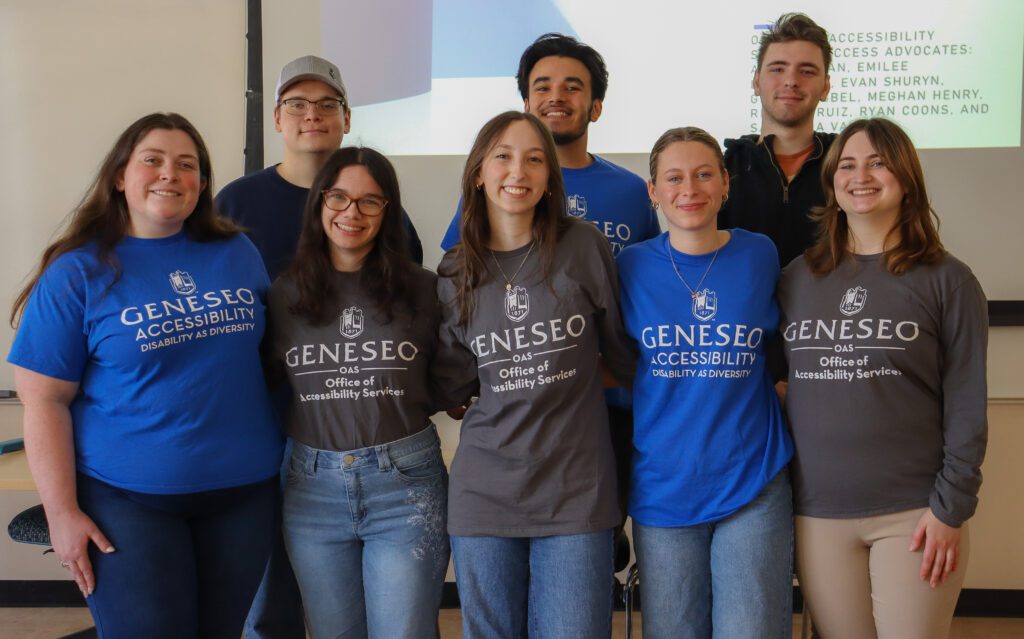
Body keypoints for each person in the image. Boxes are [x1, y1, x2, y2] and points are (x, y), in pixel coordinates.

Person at [7, 113, 282, 638]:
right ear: (119, 176)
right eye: (152, 160)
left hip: (245, 493)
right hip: (127, 500)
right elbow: (43, 401)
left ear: (202, 183)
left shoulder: (237, 252)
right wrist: (61, 513)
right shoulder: (77, 272)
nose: (169, 175)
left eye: (187, 165)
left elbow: (264, 358)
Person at [215, 55, 424, 639]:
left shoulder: (384, 211)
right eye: (298, 105)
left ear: (347, 117)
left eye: (327, 104)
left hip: (363, 438)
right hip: (265, 436)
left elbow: (409, 313)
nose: (313, 115)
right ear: (278, 118)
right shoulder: (235, 205)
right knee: (274, 606)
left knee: (391, 612)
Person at [777, 118, 988, 639]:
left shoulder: (948, 279)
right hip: (817, 513)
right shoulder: (796, 278)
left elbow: (966, 406)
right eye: (847, 165)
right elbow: (770, 380)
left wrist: (950, 510)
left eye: (878, 162)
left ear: (906, 177)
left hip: (916, 513)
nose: (861, 176)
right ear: (831, 182)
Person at [439, 31, 659, 530]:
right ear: (526, 103)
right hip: (520, 412)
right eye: (542, 86)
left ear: (596, 106)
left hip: (608, 409)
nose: (556, 96)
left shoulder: (630, 192)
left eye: (572, 86)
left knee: (594, 549)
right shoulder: (498, 189)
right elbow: (469, 293)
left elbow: (642, 296)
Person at [434, 111, 635, 638]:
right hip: (484, 495)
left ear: (550, 178)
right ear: (479, 171)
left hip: (578, 493)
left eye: (534, 158)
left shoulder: (583, 246)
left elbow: (622, 355)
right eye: (502, 156)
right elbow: (454, 384)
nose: (516, 170)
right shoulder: (456, 272)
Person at [616, 127, 794, 638]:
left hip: (753, 482)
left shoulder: (759, 254)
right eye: (673, 177)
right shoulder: (629, 267)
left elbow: (786, 344)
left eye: (702, 174)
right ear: (653, 191)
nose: (688, 189)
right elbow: (610, 358)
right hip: (664, 489)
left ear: (724, 185)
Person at [265, 147, 448, 638]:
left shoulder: (424, 291)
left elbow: (449, 383)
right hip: (311, 488)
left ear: (388, 212)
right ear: (319, 203)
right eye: (339, 197)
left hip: (405, 485)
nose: (352, 213)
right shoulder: (284, 295)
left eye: (370, 201)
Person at [719, 13, 835, 268]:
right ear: (756, 81)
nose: (791, 81)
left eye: (807, 71)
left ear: (825, 87)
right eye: (778, 69)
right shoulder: (722, 168)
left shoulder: (846, 165)